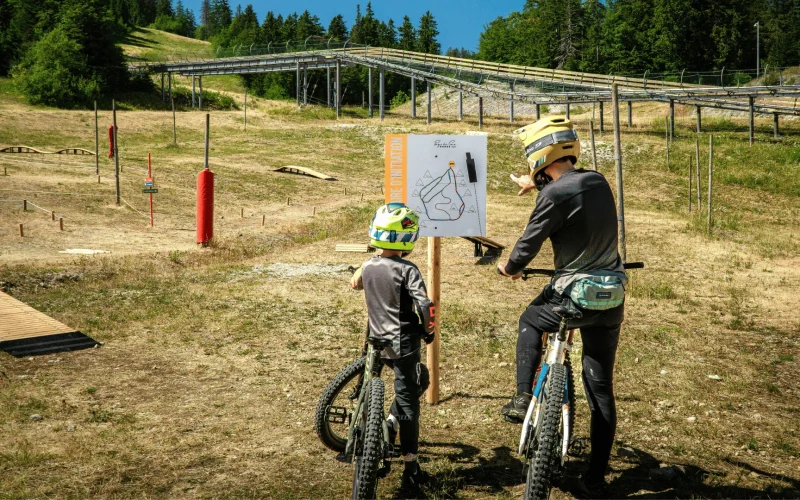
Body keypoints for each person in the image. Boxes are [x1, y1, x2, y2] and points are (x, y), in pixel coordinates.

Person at [496, 116, 627, 495]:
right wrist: (534, 183)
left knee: (531, 320)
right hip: (611, 297)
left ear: (538, 154)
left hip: (573, 295)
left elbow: (526, 247)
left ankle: (522, 397)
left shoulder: (551, 197)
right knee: (601, 388)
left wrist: (508, 268)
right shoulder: (598, 181)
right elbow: (570, 190)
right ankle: (595, 480)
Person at [350, 202, 436, 492]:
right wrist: (429, 330)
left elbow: (355, 285)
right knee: (410, 400)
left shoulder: (369, 265)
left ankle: (386, 421)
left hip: (377, 342)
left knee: (415, 382)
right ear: (407, 238)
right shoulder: (408, 269)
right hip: (404, 344)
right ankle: (411, 467)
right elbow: (425, 305)